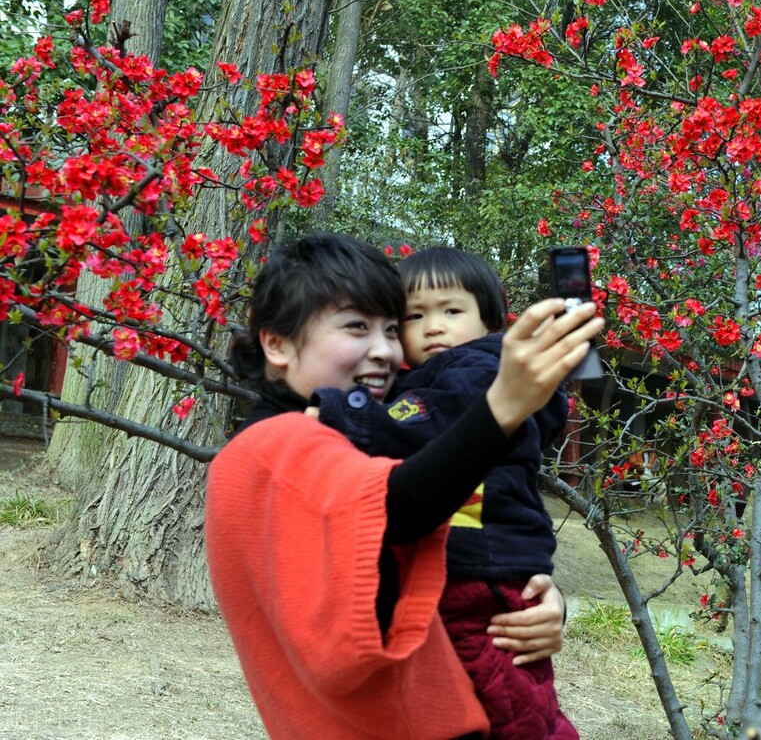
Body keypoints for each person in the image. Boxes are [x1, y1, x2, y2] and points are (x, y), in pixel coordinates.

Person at [204, 234, 602, 739]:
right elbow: (402, 507)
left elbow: (406, 545)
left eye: (392, 329)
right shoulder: (276, 444)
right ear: (276, 343)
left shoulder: (349, 435)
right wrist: (502, 404)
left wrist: (528, 595)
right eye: (356, 327)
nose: (385, 350)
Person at [314, 247, 577, 739]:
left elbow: (421, 425)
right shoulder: (427, 382)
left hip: (478, 566)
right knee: (505, 692)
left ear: (492, 322)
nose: (433, 327)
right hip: (466, 565)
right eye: (414, 316)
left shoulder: (481, 369)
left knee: (503, 697)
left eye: (451, 311)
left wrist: (340, 411)